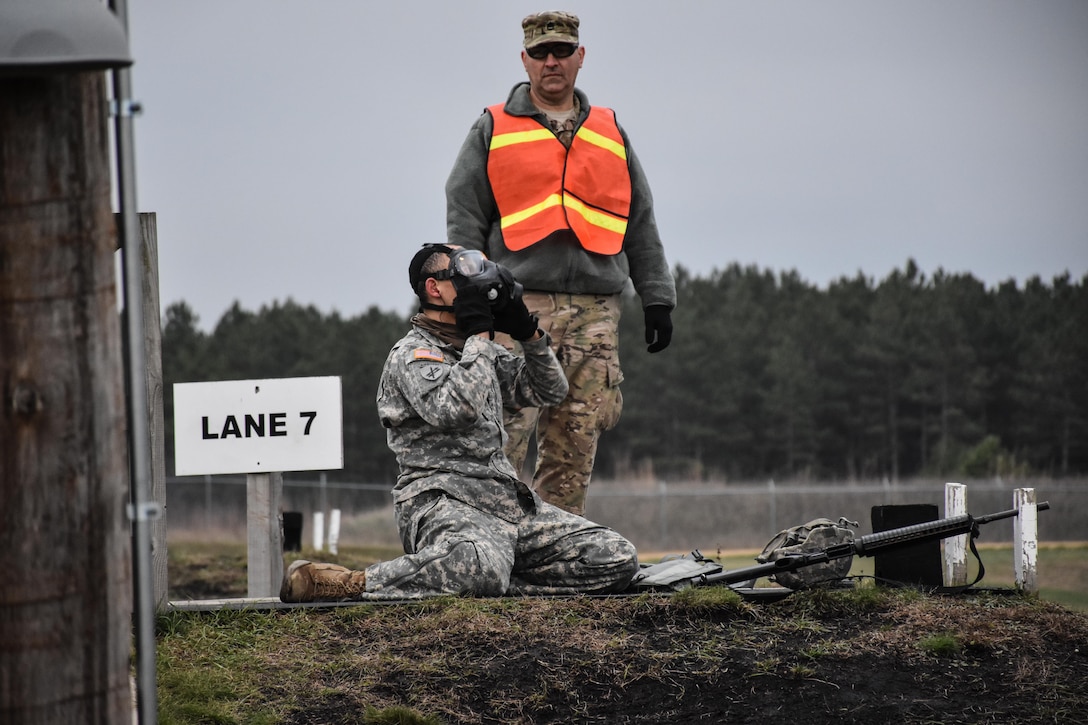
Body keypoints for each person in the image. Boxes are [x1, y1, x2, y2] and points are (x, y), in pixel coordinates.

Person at [280, 244, 639, 602]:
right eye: (464, 271)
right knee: (477, 565)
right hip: (444, 502)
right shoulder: (412, 356)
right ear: (434, 288)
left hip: (506, 504)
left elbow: (549, 390)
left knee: (616, 557)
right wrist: (480, 335)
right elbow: (456, 410)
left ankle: (490, 582)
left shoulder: (479, 352)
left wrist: (528, 333)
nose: (479, 278)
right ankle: (352, 582)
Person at [445, 10, 676, 516]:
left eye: (563, 52)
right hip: (518, 306)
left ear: (580, 58)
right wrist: (473, 298)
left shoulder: (609, 129)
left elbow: (639, 216)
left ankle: (558, 562)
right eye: (542, 52)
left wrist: (657, 296)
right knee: (502, 435)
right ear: (525, 59)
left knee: (576, 440)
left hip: (597, 310)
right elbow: (464, 214)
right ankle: (488, 551)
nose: (553, 62)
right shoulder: (493, 126)